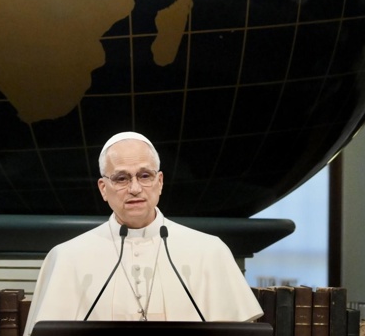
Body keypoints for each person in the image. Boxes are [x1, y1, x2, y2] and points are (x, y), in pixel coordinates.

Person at [23, 132, 262, 333]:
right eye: (121, 178)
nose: (135, 188)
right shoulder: (67, 257)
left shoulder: (210, 251)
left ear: (159, 182)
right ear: (103, 189)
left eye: (144, 176)